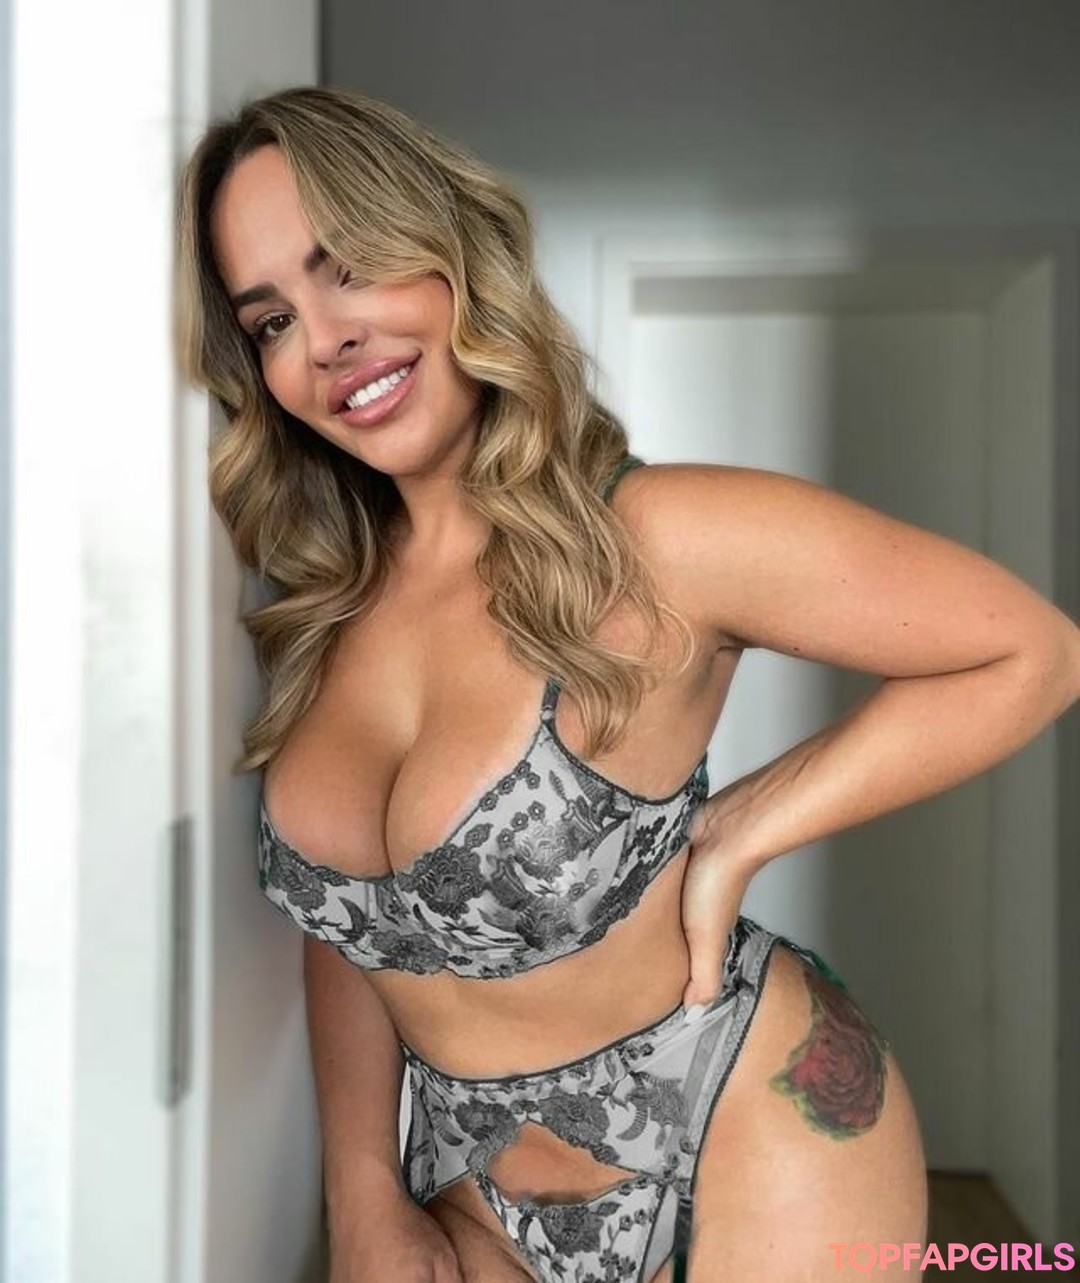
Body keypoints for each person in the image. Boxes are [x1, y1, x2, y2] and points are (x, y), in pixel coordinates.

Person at [176, 86, 1080, 1283]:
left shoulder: (657, 535)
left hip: (743, 1125)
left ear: (452, 254)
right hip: (468, 1182)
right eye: (272, 318)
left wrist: (745, 826)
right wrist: (363, 1195)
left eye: (348, 265)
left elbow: (1032, 651)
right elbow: (353, 930)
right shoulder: (322, 602)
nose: (326, 338)